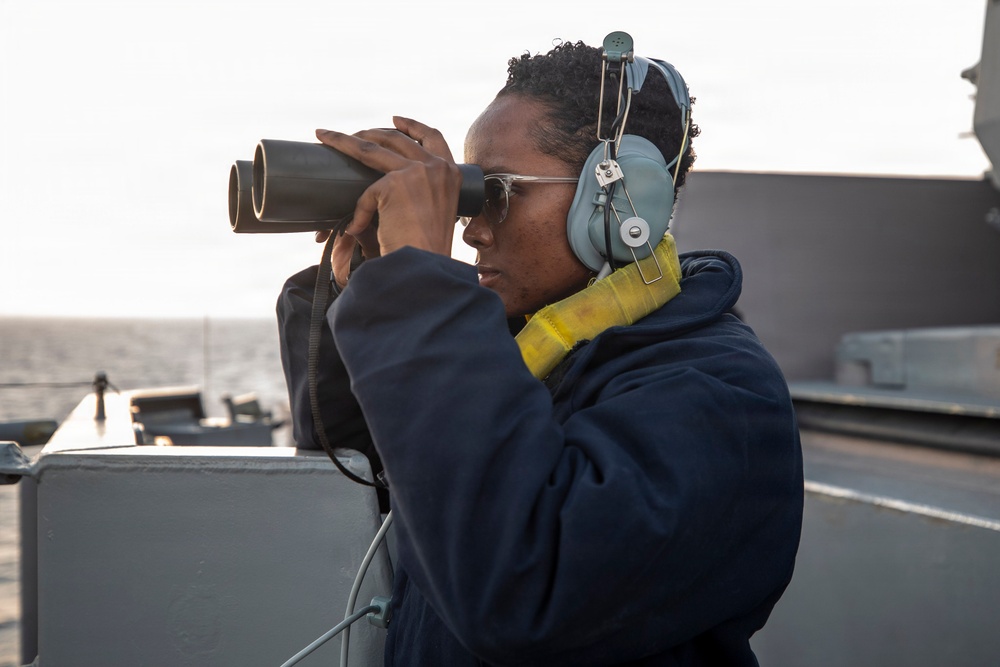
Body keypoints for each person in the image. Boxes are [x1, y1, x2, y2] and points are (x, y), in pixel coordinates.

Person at [277, 37, 803, 666]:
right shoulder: (519, 353)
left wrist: (421, 297)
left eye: (496, 190)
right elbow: (376, 480)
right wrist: (363, 289)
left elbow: (522, 592)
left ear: (621, 197)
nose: (469, 228)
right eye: (468, 194)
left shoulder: (718, 395)